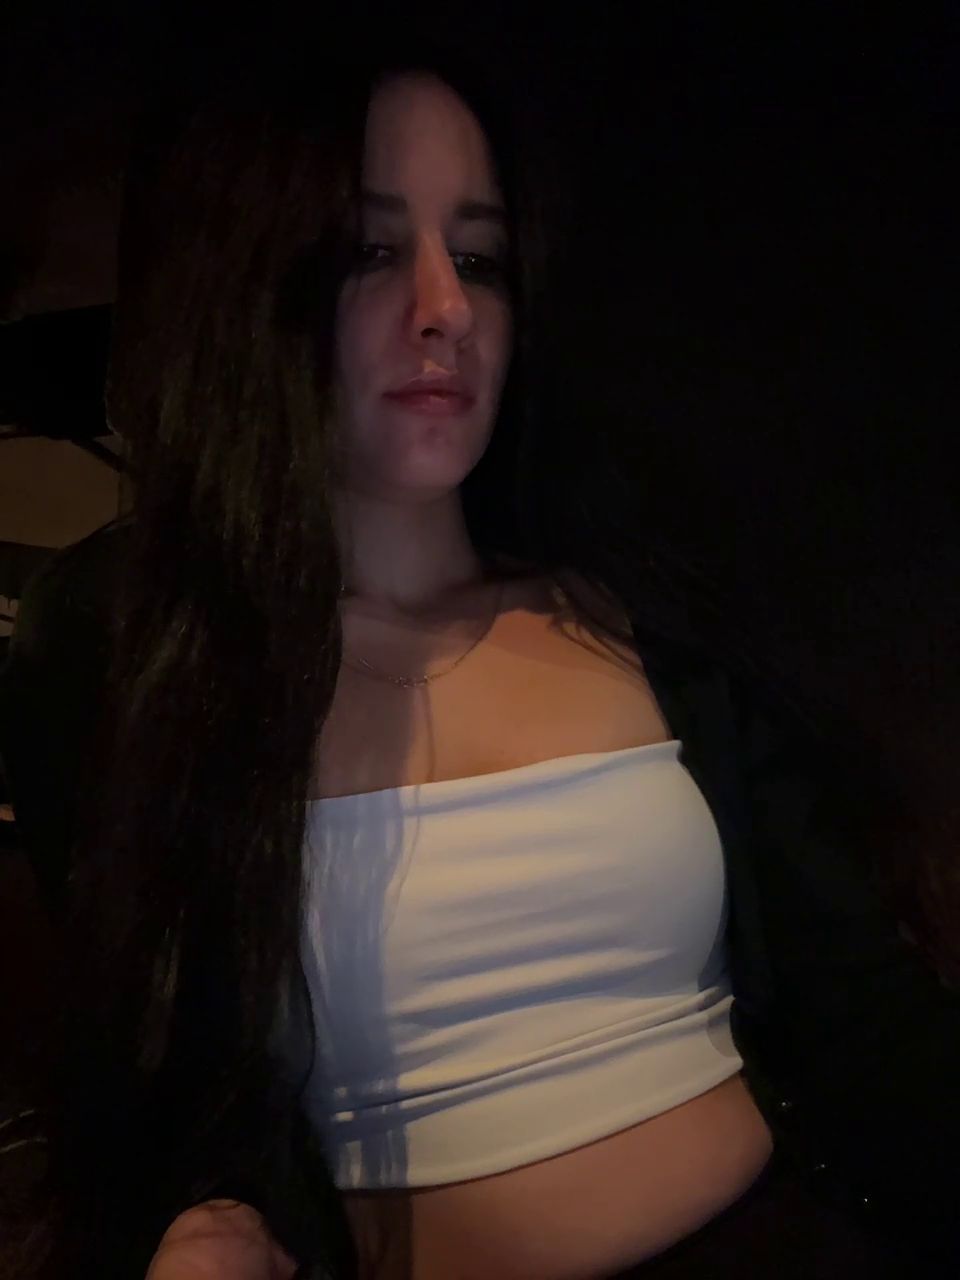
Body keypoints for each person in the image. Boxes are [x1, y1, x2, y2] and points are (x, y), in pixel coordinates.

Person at [5, 26, 959, 1280]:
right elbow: (152, 1084)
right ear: (249, 282)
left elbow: (862, 1007)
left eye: (479, 258)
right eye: (370, 249)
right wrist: (206, 1223)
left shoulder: (634, 612)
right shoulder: (138, 656)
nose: (446, 310)